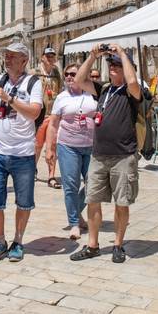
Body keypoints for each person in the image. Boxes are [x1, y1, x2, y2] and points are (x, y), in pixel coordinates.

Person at [69, 45, 144, 264]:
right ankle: (92, 244)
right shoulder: (104, 90)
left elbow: (132, 82)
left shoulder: (134, 92)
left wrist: (122, 54)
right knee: (93, 200)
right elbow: (80, 80)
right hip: (99, 155)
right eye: (111, 64)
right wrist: (93, 56)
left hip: (123, 156)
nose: (112, 67)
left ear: (128, 68)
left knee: (122, 202)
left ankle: (118, 244)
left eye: (117, 65)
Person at [0, 42, 43, 264]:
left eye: (12, 56)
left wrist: (10, 99)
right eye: (5, 56)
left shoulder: (34, 83)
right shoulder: (0, 79)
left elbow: (34, 113)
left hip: (23, 152)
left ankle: (18, 241)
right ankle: (0, 241)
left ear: (24, 60)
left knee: (23, 202)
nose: (6, 59)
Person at [45, 63, 98, 240]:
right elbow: (52, 125)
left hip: (91, 146)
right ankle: (74, 222)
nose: (68, 77)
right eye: (66, 74)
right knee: (71, 185)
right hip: (68, 146)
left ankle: (77, 211)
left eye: (73, 74)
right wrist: (49, 149)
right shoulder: (61, 97)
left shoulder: (93, 95)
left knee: (94, 184)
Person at [33, 47, 63, 188]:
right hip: (39, 115)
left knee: (52, 146)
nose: (50, 58)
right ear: (42, 57)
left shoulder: (57, 73)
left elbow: (61, 90)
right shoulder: (35, 73)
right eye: (48, 56)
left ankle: (51, 175)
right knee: (37, 146)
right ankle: (32, 170)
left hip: (53, 115)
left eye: (52, 56)